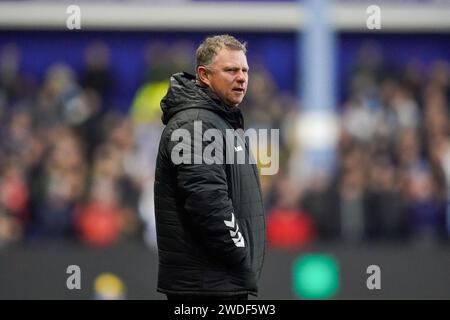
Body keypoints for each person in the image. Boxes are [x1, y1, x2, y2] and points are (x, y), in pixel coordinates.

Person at [154, 35, 266, 300]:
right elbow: (209, 203)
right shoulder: (195, 124)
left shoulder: (218, 121)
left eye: (245, 70)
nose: (241, 78)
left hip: (218, 281)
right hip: (207, 287)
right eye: (231, 70)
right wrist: (240, 255)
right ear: (204, 75)